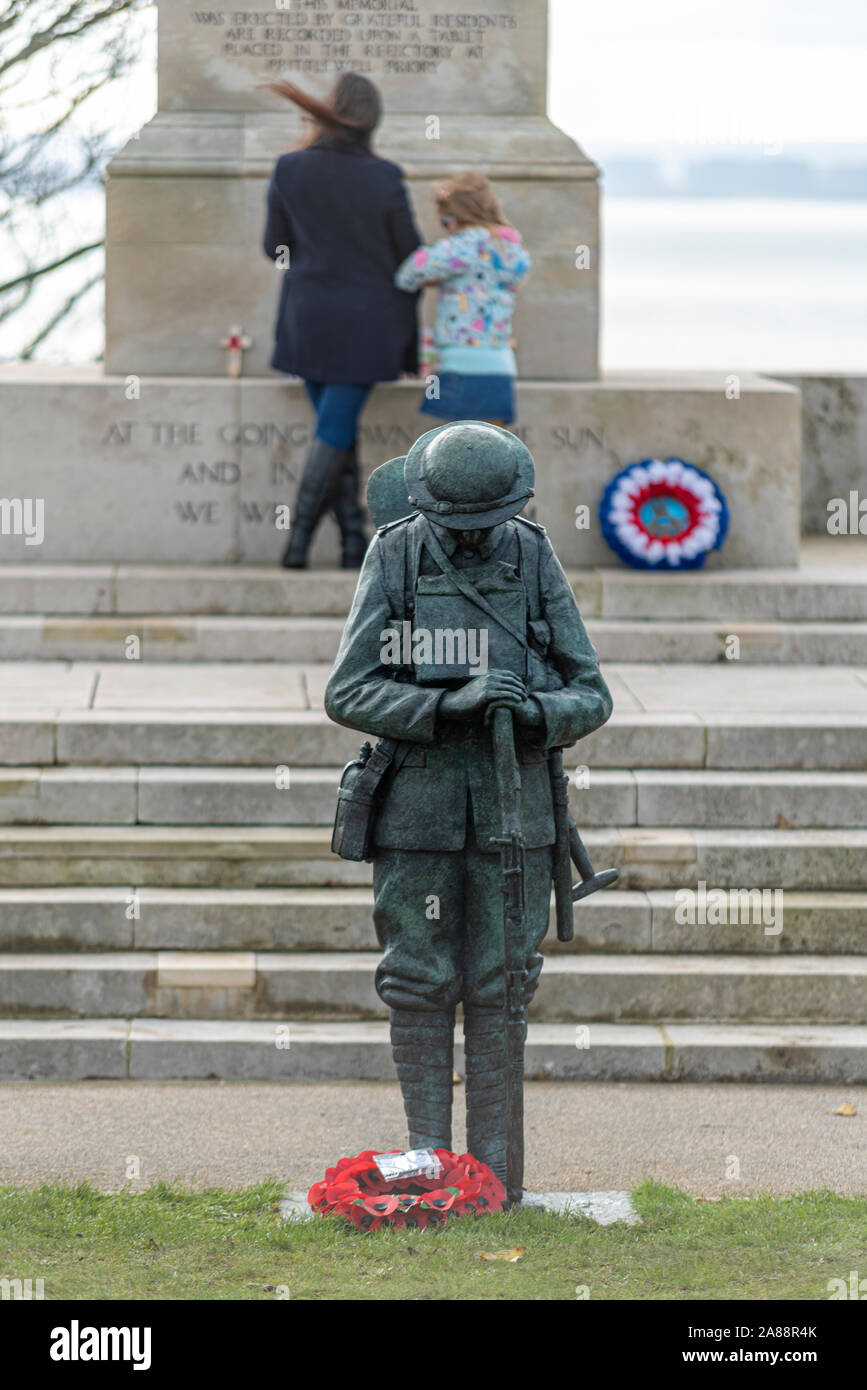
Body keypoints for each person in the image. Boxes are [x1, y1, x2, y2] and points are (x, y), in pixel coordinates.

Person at [324, 422, 612, 1193]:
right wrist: (454, 704)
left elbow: (590, 692)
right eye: (458, 526)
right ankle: (427, 1163)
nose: (473, 538)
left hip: (512, 811)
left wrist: (535, 713)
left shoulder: (533, 552)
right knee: (417, 980)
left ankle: (491, 1173)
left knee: (502, 981)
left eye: (485, 523)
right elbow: (347, 691)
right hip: (416, 810)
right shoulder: (394, 553)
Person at [263, 74, 421, 569]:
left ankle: (335, 542)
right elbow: (409, 255)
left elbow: (275, 247)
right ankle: (323, 543)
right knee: (337, 429)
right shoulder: (386, 176)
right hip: (369, 326)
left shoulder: (289, 168)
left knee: (336, 428)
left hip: (308, 318)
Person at [394, 171, 531, 427]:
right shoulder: (511, 247)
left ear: (456, 217)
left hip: (461, 358)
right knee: (491, 448)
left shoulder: (462, 245)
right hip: (501, 362)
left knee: (454, 450)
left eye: (445, 221)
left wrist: (436, 277)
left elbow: (407, 275)